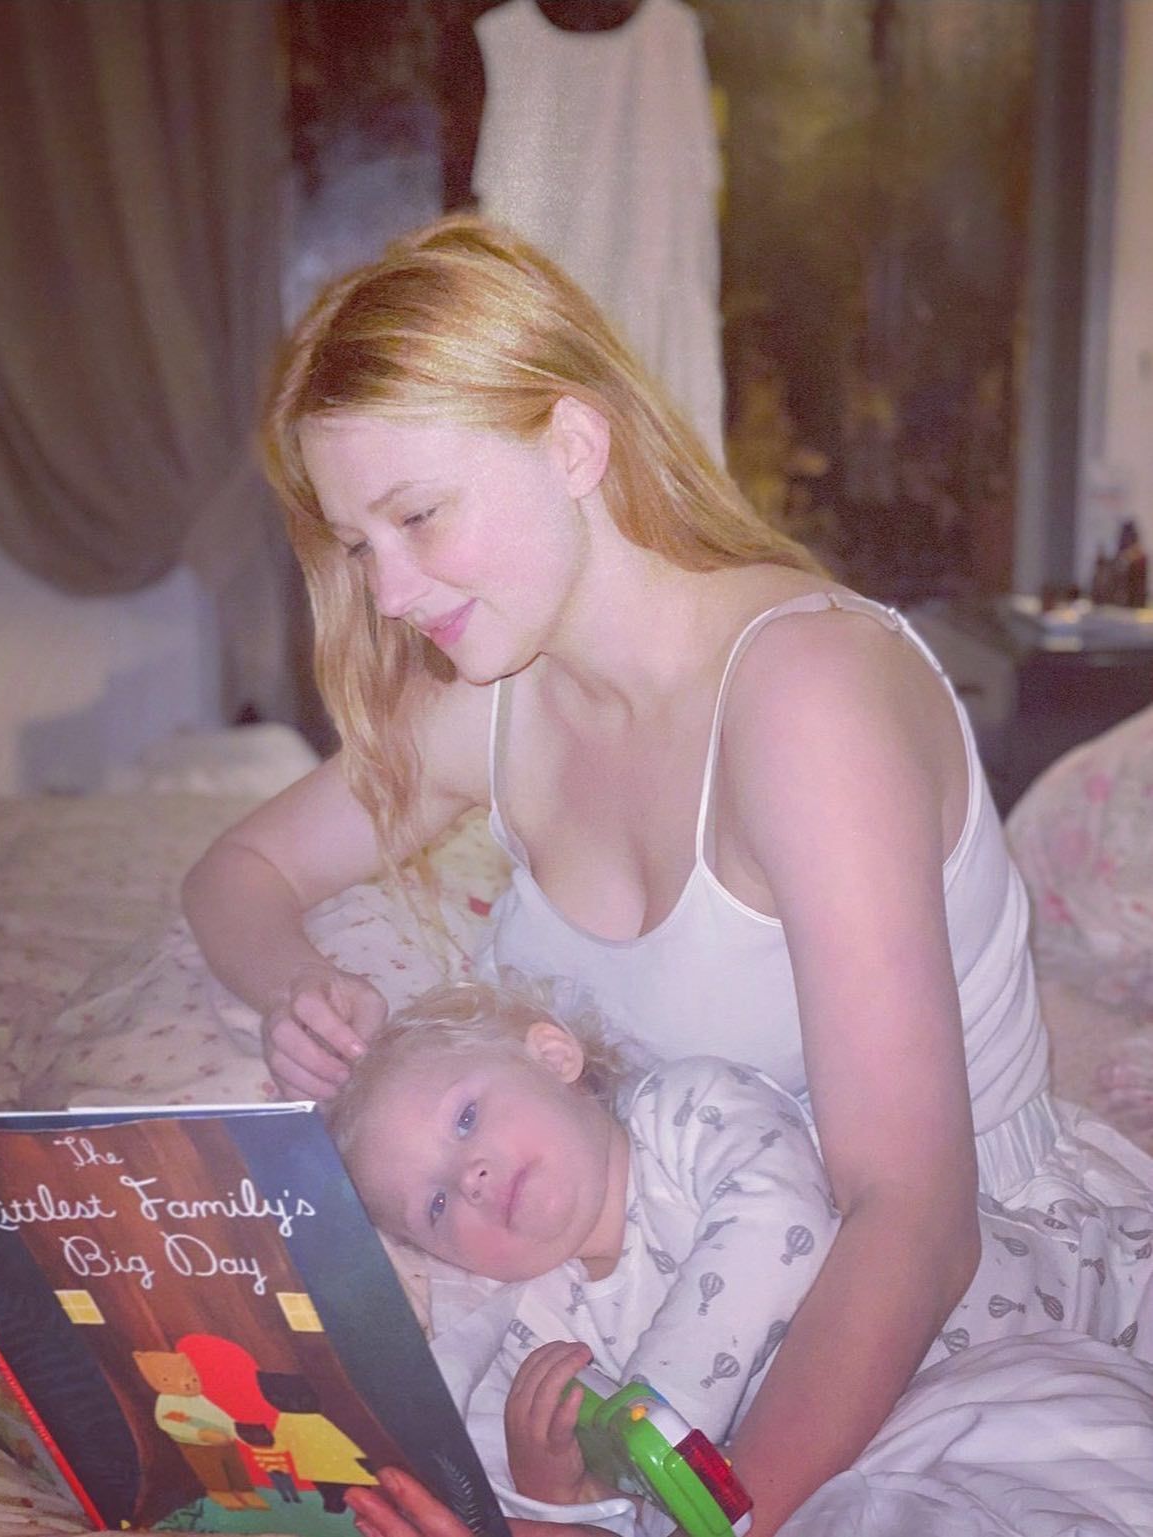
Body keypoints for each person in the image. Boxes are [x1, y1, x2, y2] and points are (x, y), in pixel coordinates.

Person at [181, 214, 1153, 1535]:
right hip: (679, 1279)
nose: (390, 592)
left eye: (416, 516)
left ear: (572, 444)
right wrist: (295, 985)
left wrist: (697, 1522)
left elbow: (912, 1220)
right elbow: (237, 870)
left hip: (957, 1293)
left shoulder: (804, 696)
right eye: (360, 545)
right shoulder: (495, 700)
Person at [326, 977, 1153, 1526]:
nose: (468, 1176)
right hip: (928, 1435)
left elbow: (776, 1222)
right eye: (436, 1204)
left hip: (1088, 1298)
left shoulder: (685, 1109)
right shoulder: (533, 1327)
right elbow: (648, 1505)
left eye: (466, 1117)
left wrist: (652, 1418)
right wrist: (560, 1487)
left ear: (553, 1057)